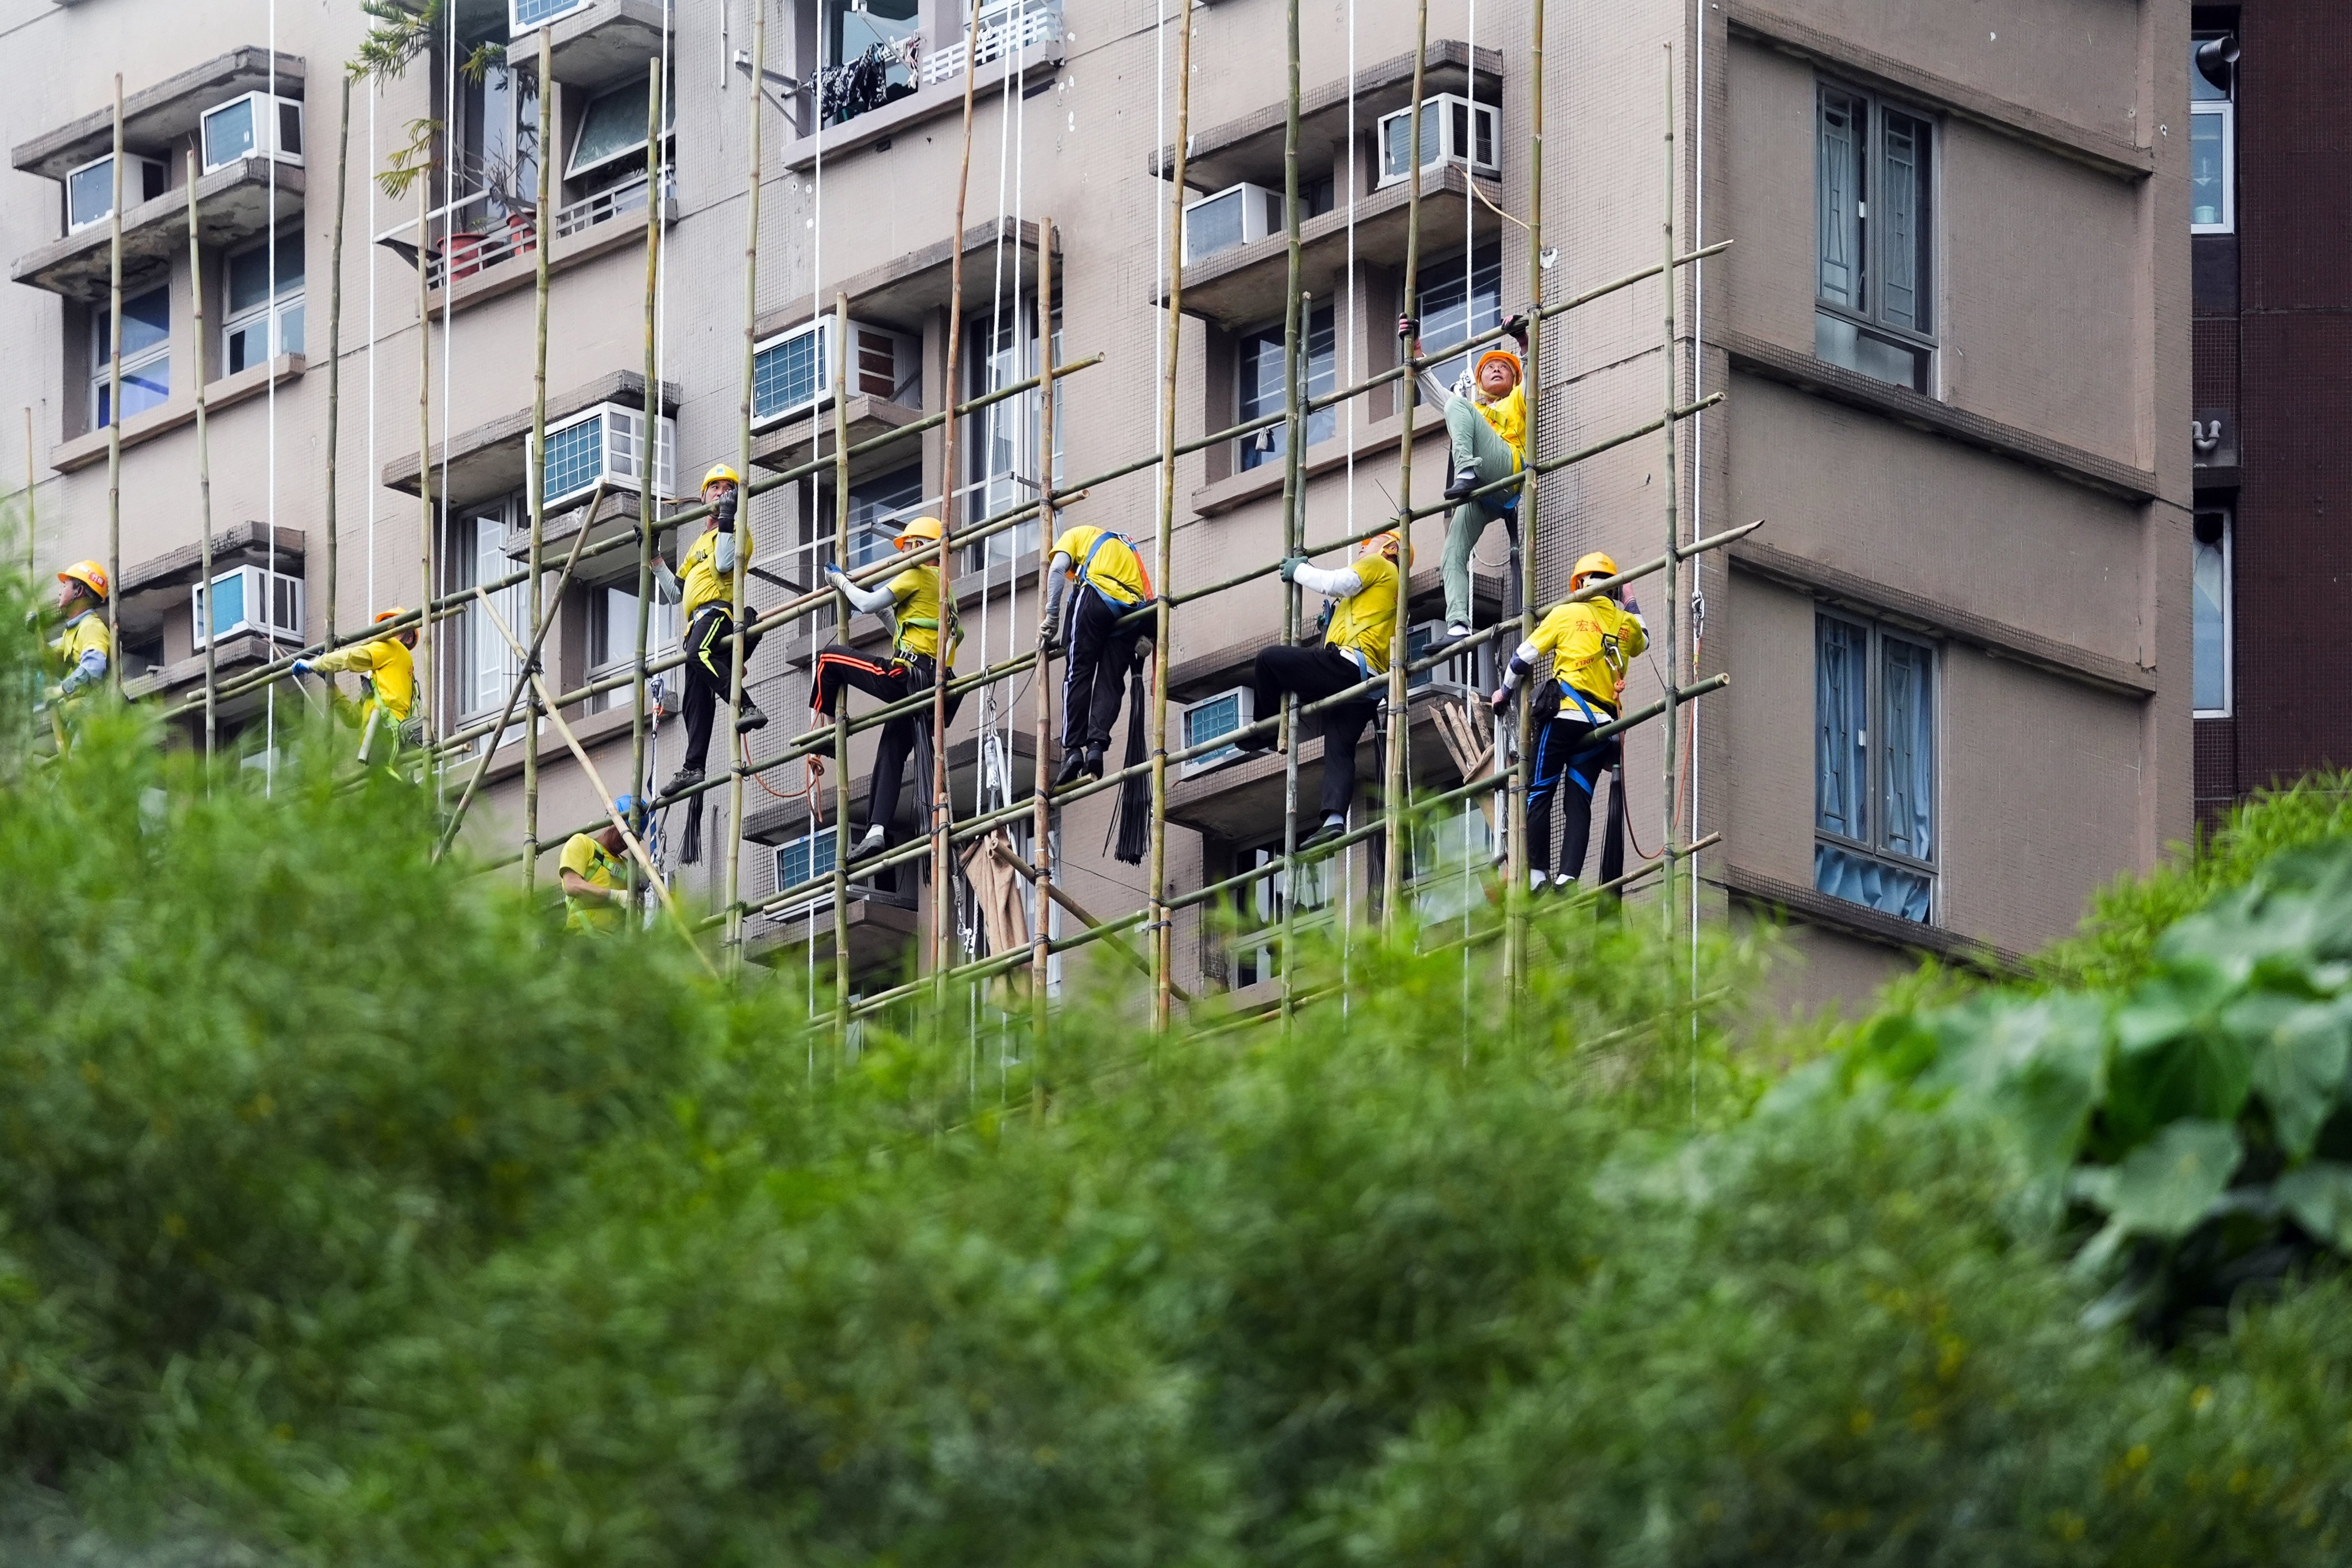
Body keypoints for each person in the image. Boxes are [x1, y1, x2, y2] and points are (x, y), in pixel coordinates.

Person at [1231, 531, 1401, 848]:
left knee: (1269, 661)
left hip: (1348, 667)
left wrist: (1299, 570)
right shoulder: (1388, 592)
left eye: (1367, 546)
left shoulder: (1381, 566)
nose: (1363, 551)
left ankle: (1266, 731)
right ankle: (1334, 818)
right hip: (1368, 685)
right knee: (1339, 749)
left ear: (1389, 548)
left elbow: (1335, 582)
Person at [1490, 551, 1647, 893]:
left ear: (1580, 584)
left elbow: (1523, 658)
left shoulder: (1567, 613)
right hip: (1603, 726)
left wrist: (1503, 692)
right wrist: (1631, 599)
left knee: (1539, 792)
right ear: (1616, 590)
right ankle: (1568, 880)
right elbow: (1645, 637)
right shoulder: (1626, 624)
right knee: (1579, 802)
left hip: (1566, 717)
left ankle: (1537, 878)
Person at [809, 514, 963, 862]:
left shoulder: (918, 573)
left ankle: (827, 732)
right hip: (932, 690)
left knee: (828, 658)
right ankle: (877, 830)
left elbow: (864, 605)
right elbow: (892, 621)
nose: (904, 554)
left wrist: (839, 582)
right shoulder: (945, 591)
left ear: (921, 548)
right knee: (890, 752)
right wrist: (851, 586)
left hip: (908, 675)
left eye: (908, 547)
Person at [657, 464, 767, 798]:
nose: (720, 493)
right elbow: (675, 593)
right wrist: (653, 559)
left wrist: (728, 519)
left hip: (718, 612)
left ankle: (748, 706)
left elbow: (723, 564)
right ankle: (694, 766)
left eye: (727, 488)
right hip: (696, 622)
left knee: (697, 655)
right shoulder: (696, 544)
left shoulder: (738, 532)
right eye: (715, 488)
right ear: (704, 496)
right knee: (695, 699)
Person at [1037, 522, 1153, 787]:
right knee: (1111, 681)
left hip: (1096, 599)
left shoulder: (1074, 535)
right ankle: (1097, 745)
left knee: (1078, 674)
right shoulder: (1125, 545)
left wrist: (1052, 616)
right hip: (1129, 611)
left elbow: (1056, 569)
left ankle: (1074, 750)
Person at [1438, 314, 1531, 639]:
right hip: (1482, 493)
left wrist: (1524, 344)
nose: (1495, 369)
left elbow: (1533, 380)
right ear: (1480, 381)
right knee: (1452, 552)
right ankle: (1459, 624)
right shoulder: (1472, 411)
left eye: (1503, 368)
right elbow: (1441, 399)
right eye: (1489, 367)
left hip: (1506, 470)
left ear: (1513, 378)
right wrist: (1418, 355)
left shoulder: (1517, 400)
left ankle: (1464, 471)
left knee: (1457, 405)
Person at [295, 608, 416, 758]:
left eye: (393, 628)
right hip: (391, 739)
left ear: (409, 637)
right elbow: (353, 719)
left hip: (387, 735)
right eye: (384, 628)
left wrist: (315, 664)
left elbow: (352, 657)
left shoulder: (393, 647)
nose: (386, 634)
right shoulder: (388, 685)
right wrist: (332, 686)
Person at [558, 795, 644, 935]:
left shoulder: (627, 866)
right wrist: (614, 896)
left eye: (634, 838)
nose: (627, 842)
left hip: (613, 946)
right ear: (613, 822)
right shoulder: (582, 843)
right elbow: (572, 886)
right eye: (625, 832)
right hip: (582, 939)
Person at [48, 559, 111, 708]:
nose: (60, 591)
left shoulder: (91, 626)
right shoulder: (71, 632)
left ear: (79, 591)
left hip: (95, 712)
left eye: (65, 586)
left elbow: (94, 668)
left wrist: (62, 689)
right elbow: (51, 663)